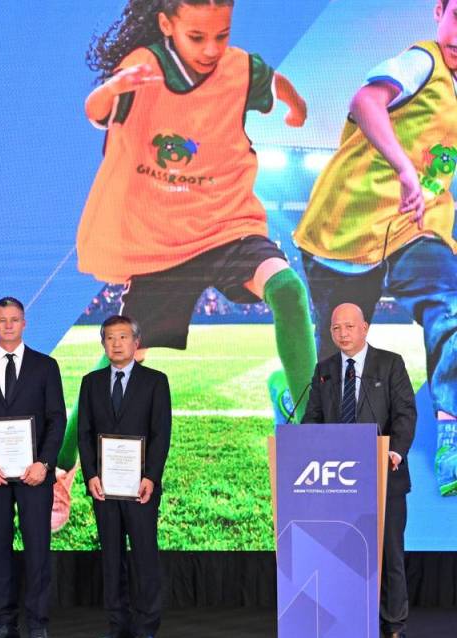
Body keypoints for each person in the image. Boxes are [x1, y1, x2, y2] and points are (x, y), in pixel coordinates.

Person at [54, 0, 317, 508]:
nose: (211, 49)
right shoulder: (146, 68)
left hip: (227, 224)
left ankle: (310, 430)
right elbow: (95, 111)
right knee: (121, 357)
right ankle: (60, 473)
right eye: (197, 37)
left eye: (222, 35)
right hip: (164, 243)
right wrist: (116, 87)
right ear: (167, 25)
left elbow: (274, 81)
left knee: (287, 289)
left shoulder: (239, 69)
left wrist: (296, 106)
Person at [294, 0, 457, 497]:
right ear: (439, 10)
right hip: (346, 229)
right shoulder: (422, 61)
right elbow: (366, 101)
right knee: (341, 354)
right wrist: (404, 168)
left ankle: (451, 431)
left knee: (450, 306)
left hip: (415, 227)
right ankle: (314, 424)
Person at [302, 303, 416, 638]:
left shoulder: (390, 363)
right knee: (343, 555)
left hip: (385, 476)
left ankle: (393, 627)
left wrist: (395, 451)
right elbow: (312, 418)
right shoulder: (324, 370)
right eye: (336, 328)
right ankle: (349, 623)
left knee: (389, 555)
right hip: (338, 483)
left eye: (349, 326)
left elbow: (405, 413)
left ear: (365, 328)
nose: (343, 333)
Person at [0, 297, 66, 638]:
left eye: (14, 319)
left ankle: (37, 625)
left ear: (24, 323)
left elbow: (57, 419)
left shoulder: (45, 366)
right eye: (2, 320)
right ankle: (4, 623)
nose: (8, 325)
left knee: (37, 549)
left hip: (34, 475)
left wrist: (44, 463)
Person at [77, 315, 171, 638]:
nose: (116, 344)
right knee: (111, 557)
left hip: (140, 488)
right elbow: (84, 433)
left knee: (144, 556)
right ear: (103, 343)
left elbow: (161, 434)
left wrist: (151, 477)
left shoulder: (155, 381)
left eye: (123, 337)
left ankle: (146, 628)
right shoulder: (91, 383)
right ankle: (118, 625)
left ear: (136, 341)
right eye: (110, 338)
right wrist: (90, 475)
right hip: (104, 488)